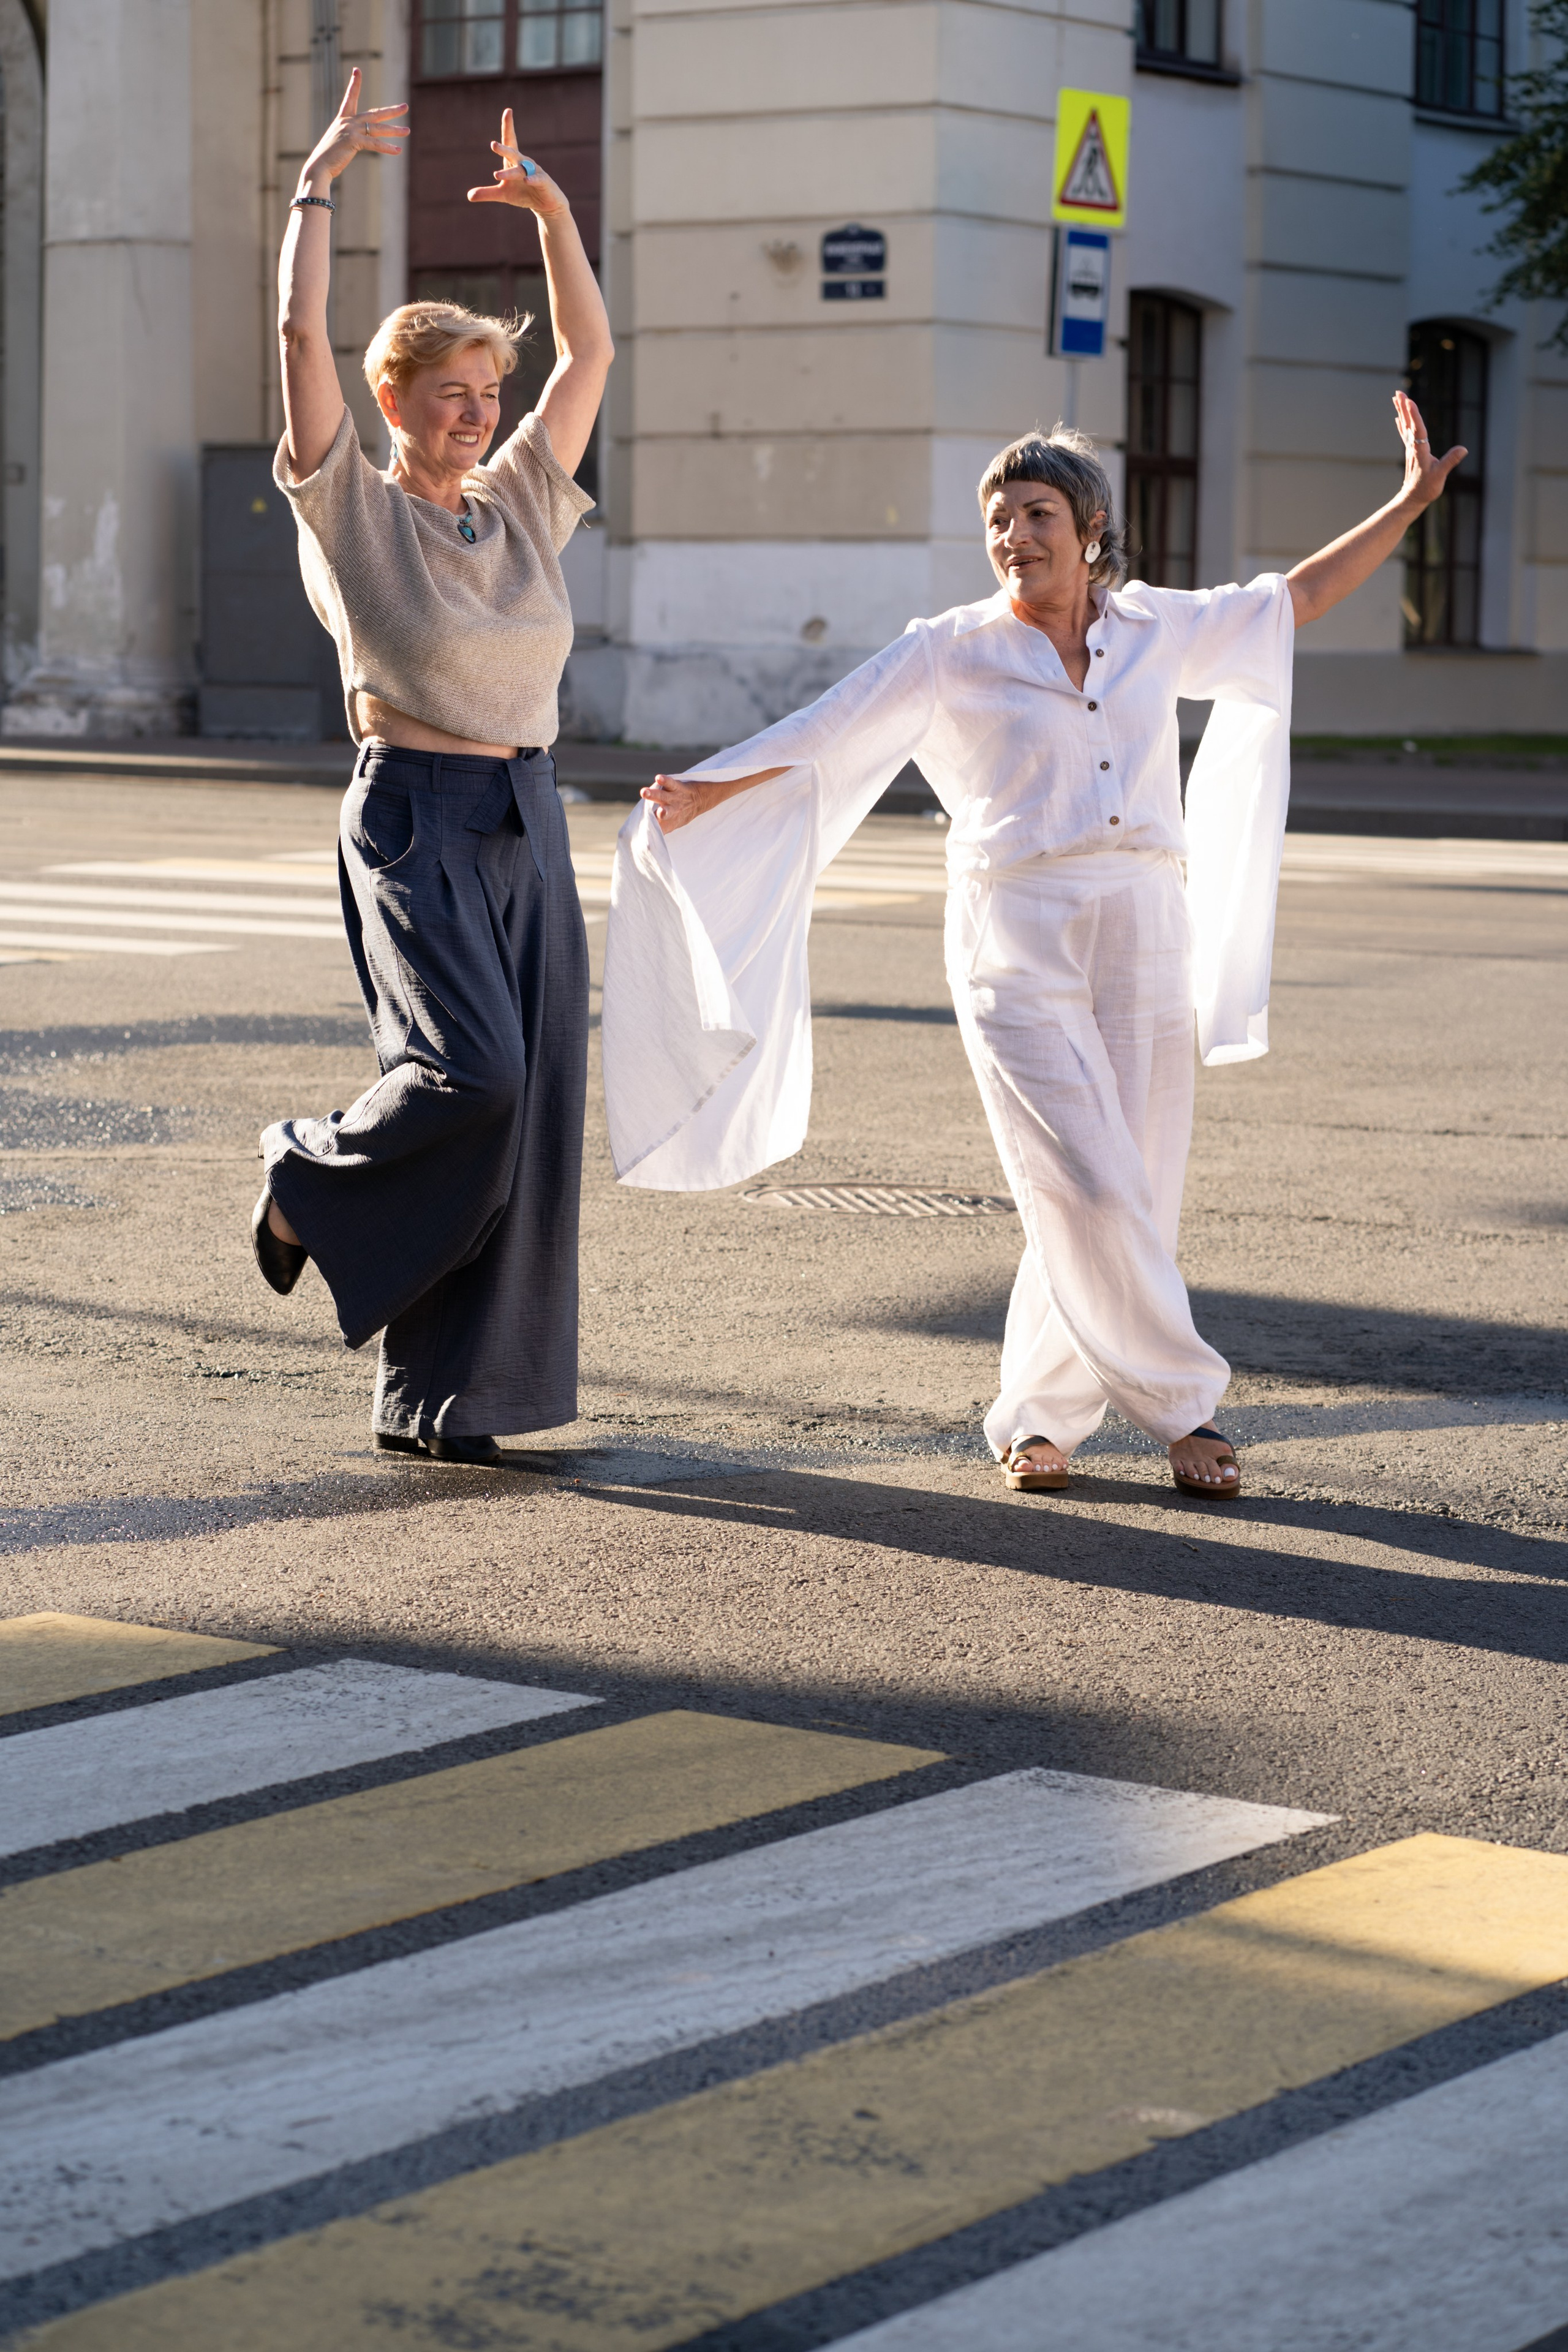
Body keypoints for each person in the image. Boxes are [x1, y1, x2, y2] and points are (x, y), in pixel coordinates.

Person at [601, 393, 1463, 1499]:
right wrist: (713, 786)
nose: (1015, 535)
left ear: (1091, 524)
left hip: (1147, 921)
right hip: (1016, 932)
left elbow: (1292, 600)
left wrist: (1406, 504)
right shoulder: (948, 651)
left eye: (1037, 512)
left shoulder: (1155, 627)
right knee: (1083, 1181)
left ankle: (1036, 1419)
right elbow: (830, 726)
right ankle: (1183, 1408)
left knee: (1128, 1190)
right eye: (1000, 518)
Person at [249, 70, 613, 1466]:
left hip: (526, 811)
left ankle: (450, 1400)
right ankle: (304, 1182)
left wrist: (555, 217)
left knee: (528, 1125)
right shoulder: (346, 501)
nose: (474, 413)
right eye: (447, 395)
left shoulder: (520, 497)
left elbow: (586, 359)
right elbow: (297, 330)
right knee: (475, 1080)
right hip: (416, 817)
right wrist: (318, 184)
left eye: (485, 395)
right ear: (390, 400)